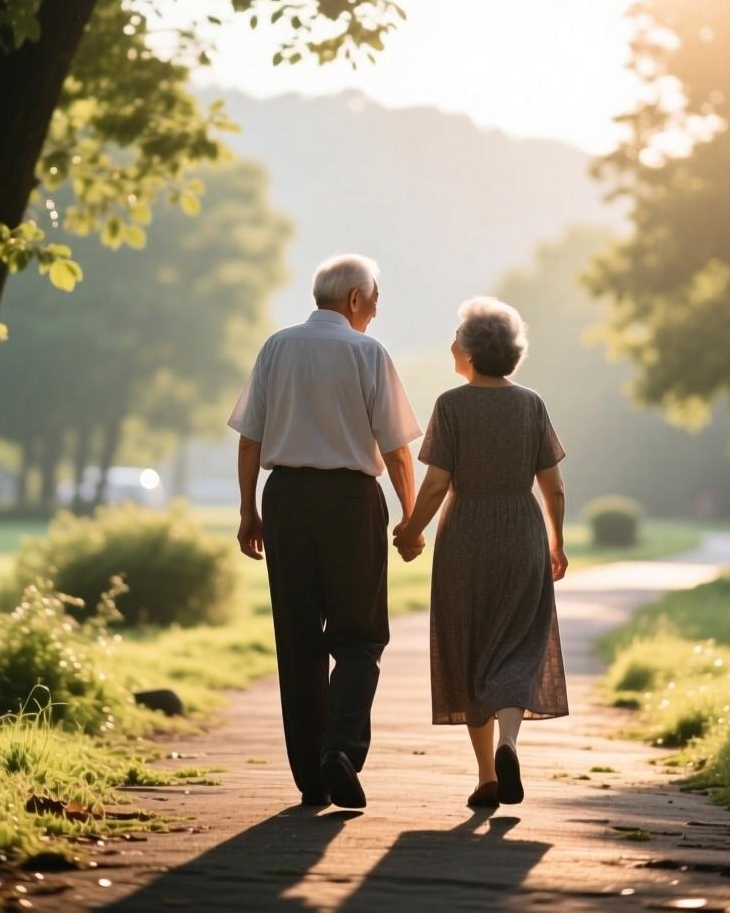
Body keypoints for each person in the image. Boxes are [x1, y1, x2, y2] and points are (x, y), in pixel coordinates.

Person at [228, 254, 422, 809]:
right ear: (357, 300)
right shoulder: (368, 352)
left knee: (298, 638)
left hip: (286, 498)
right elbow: (397, 449)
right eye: (377, 299)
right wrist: (410, 518)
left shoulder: (276, 347)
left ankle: (311, 779)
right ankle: (340, 748)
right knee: (360, 636)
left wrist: (248, 511)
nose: (377, 310)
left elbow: (249, 440)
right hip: (350, 502)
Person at [393, 296, 568, 808]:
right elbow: (553, 487)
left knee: (471, 646)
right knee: (518, 643)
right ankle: (511, 743)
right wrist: (556, 541)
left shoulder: (452, 405)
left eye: (456, 337)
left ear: (470, 351)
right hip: (521, 534)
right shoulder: (531, 404)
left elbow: (435, 485)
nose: (451, 344)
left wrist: (409, 532)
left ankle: (488, 775)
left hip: (465, 536)